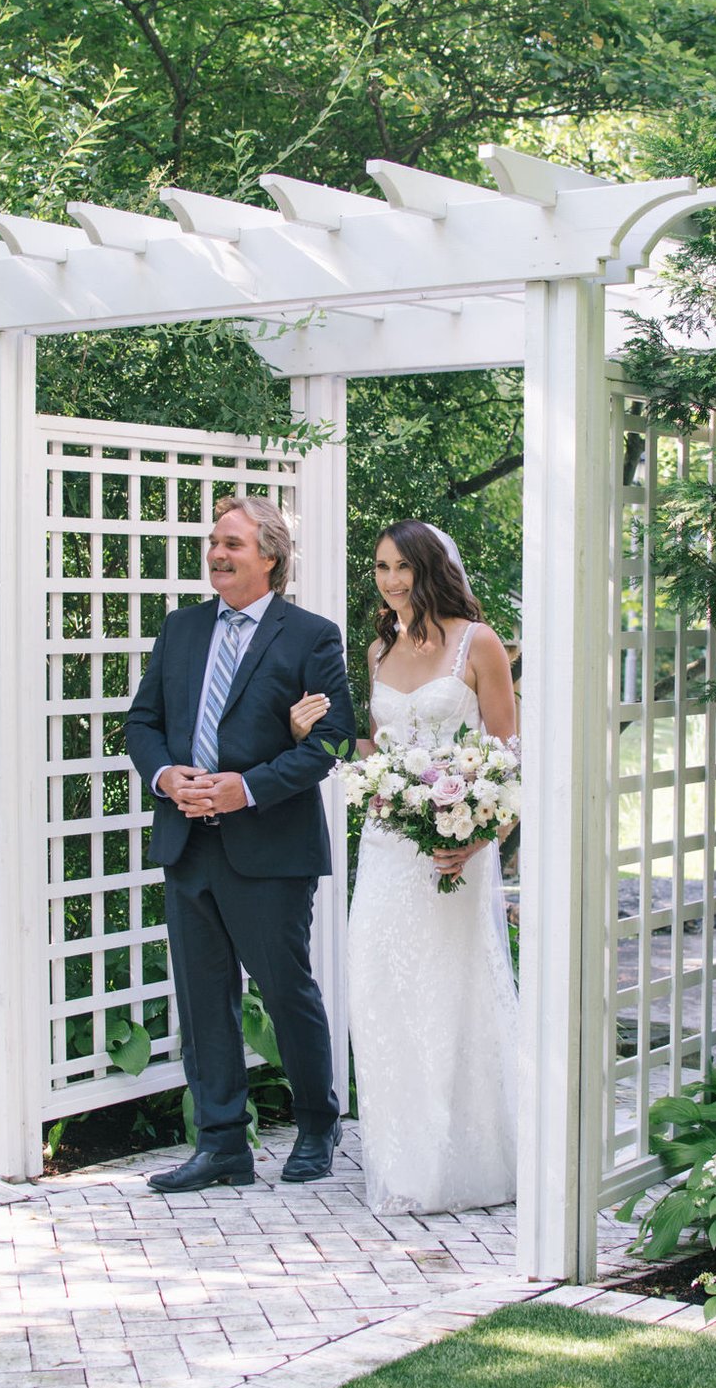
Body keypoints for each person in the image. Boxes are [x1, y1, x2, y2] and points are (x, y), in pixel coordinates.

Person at [126, 495, 356, 1193]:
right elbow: (142, 722)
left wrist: (244, 788)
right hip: (187, 844)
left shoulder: (312, 635)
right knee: (202, 1001)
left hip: (270, 849)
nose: (217, 555)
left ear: (270, 557)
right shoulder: (182, 628)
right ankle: (222, 1144)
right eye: (214, 542)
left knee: (287, 991)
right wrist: (168, 776)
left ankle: (318, 1126)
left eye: (232, 544)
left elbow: (335, 740)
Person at [291, 519, 518, 1215]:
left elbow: (510, 757)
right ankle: (405, 1163)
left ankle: (471, 1163)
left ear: (429, 569)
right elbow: (381, 753)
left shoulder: (479, 644)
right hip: (388, 847)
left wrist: (482, 838)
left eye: (402, 568)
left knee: (452, 995)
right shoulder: (378, 649)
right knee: (383, 987)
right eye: (382, 568)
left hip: (458, 847)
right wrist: (316, 733)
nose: (390, 581)